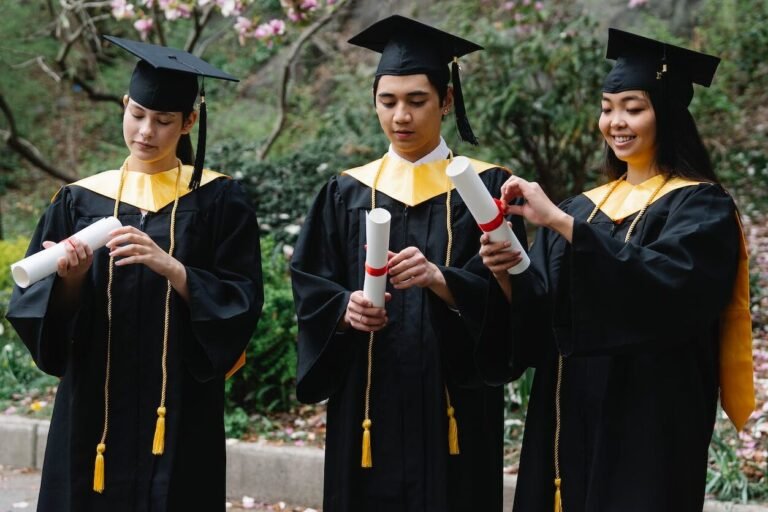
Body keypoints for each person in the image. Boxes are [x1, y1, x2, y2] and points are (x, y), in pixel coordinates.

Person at [478, 28, 754, 511]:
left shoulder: (701, 207)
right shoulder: (582, 207)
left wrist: (563, 226)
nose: (616, 122)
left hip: (649, 418)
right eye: (607, 107)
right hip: (566, 415)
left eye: (633, 107)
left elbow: (668, 291)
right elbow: (543, 319)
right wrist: (509, 273)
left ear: (665, 113)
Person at [7, 36, 264, 511]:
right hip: (93, 406)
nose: (146, 131)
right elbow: (37, 315)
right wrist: (70, 280)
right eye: (138, 114)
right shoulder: (80, 199)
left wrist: (175, 269)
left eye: (164, 121)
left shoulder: (219, 201)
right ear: (124, 105)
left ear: (189, 122)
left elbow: (242, 300)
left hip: (179, 407)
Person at [290, 14, 527, 512]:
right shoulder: (344, 192)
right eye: (388, 101)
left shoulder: (487, 188)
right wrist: (344, 309)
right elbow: (312, 284)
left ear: (445, 101)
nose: (401, 116)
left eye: (417, 101)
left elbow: (517, 298)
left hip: (455, 404)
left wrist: (445, 282)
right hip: (367, 402)